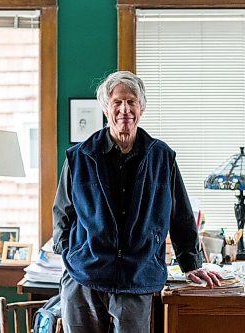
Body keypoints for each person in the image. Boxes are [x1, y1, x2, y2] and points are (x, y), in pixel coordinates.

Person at [53, 71, 222, 333]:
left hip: (137, 277)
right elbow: (62, 214)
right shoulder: (79, 157)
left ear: (141, 107)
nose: (125, 109)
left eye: (131, 101)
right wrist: (70, 253)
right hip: (84, 277)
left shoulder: (162, 157)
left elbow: (181, 217)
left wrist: (191, 265)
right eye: (117, 102)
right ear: (106, 109)